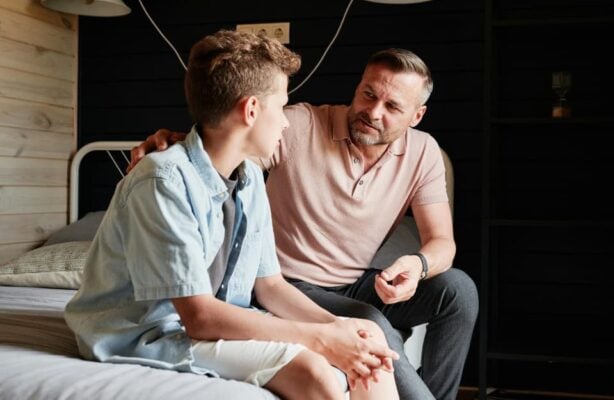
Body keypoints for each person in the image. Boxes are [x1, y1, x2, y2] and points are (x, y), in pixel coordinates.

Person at [65, 30, 400, 400]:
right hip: (149, 333)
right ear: (251, 110)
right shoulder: (162, 180)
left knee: (367, 335)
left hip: (216, 321)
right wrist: (320, 339)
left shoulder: (250, 176)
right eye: (281, 107)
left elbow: (270, 286)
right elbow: (199, 317)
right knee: (313, 371)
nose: (285, 122)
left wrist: (338, 327)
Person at [131, 48, 479, 400]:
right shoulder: (298, 125)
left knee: (458, 291)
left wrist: (417, 266)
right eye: (368, 94)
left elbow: (442, 243)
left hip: (356, 283)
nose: (373, 112)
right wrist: (179, 143)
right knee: (369, 322)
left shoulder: (424, 152)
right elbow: (232, 144)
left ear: (417, 116)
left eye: (392, 107)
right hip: (289, 284)